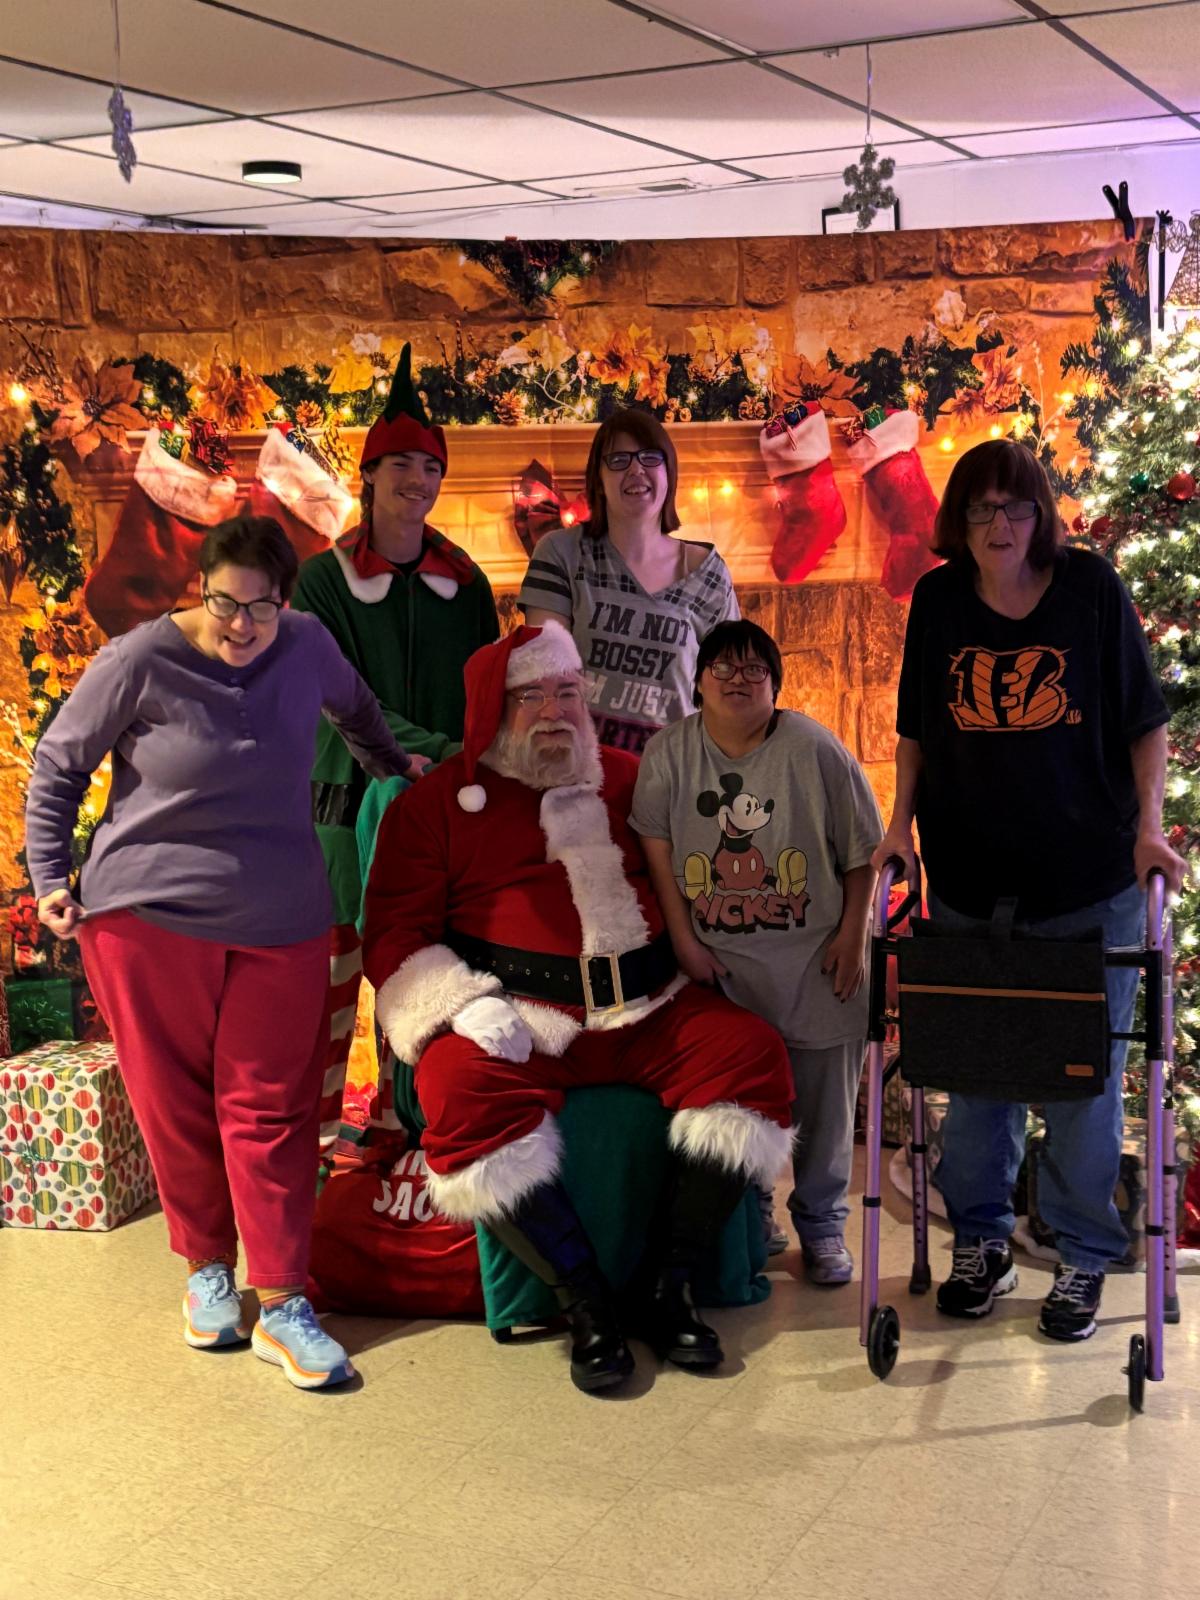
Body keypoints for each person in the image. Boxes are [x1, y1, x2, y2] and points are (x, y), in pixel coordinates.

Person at [25, 514, 418, 1389]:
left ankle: (280, 1299)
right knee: (174, 1102)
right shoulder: (140, 658)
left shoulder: (308, 646)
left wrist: (394, 768)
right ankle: (206, 1266)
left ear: (286, 601)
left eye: (261, 609)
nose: (241, 626)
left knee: (272, 1108)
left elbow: (357, 712)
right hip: (145, 916)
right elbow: (58, 765)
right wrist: (50, 873)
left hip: (280, 916)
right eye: (223, 604)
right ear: (198, 589)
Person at [361, 620, 794, 1394]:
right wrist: (457, 1004)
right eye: (532, 697)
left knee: (750, 1055)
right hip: (521, 1016)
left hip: (648, 1006)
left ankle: (668, 1289)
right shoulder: (432, 806)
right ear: (495, 708)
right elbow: (393, 936)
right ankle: (584, 1300)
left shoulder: (634, 777)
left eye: (567, 692)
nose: (555, 711)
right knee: (459, 1092)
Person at [872, 438, 1186, 1341]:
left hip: (1087, 883)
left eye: (1016, 508)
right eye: (981, 510)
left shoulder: (1089, 591)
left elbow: (1145, 722)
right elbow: (915, 731)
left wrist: (1149, 828)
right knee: (977, 1081)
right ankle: (980, 1240)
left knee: (1083, 1088)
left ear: (1040, 516)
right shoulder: (936, 601)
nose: (1000, 526)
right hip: (970, 882)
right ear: (958, 524)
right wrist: (899, 824)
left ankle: (1084, 1255)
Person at [632, 619, 882, 1286]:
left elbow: (865, 856)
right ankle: (754, 1214)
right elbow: (656, 850)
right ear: (699, 681)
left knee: (827, 1108)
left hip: (818, 957)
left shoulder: (816, 749)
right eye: (724, 668)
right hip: (723, 967)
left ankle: (824, 1226)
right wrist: (684, 941)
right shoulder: (669, 753)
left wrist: (854, 937)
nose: (739, 680)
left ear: (776, 684)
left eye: (755, 670)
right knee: (742, 1104)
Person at [291, 344, 499, 1139]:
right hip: (342, 819)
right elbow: (342, 697)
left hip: (439, 825)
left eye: (431, 468)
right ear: (369, 476)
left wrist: (469, 767)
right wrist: (444, 755)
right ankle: (303, 1185)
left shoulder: (468, 585)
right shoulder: (321, 581)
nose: (418, 480)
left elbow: (485, 695)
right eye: (401, 464)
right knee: (327, 1004)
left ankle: (408, 1153)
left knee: (422, 993)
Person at [519, 406, 738, 759]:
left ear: (669, 472)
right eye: (618, 459)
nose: (636, 469)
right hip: (581, 773)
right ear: (600, 481)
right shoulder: (561, 553)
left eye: (650, 457)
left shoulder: (709, 574)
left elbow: (728, 687)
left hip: (675, 778)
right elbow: (543, 672)